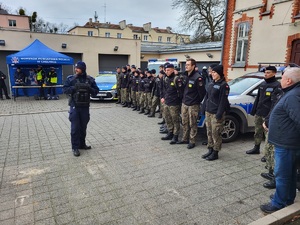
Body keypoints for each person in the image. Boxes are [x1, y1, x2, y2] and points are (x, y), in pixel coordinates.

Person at [260, 67, 300, 214]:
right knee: (289, 174)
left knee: (282, 174)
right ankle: (287, 198)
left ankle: (278, 203)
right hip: (288, 142)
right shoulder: (292, 92)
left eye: (282, 77)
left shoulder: (292, 96)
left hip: (287, 144)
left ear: (288, 80)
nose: (280, 80)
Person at [63, 61, 99, 157]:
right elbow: (65, 89)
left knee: (83, 128)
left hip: (85, 107)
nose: (76, 69)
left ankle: (82, 144)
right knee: (75, 129)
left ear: (83, 68)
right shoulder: (71, 79)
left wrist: (89, 88)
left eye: (78, 68)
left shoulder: (90, 80)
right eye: (75, 68)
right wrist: (74, 88)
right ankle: (75, 147)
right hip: (74, 107)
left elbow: (96, 91)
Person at [246, 66, 280, 155]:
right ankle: (256, 148)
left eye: (268, 72)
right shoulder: (263, 84)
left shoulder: (277, 85)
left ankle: (267, 154)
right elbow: (257, 98)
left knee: (267, 135)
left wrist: (270, 115)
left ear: (274, 73)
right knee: (257, 131)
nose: (266, 74)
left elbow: (275, 102)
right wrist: (254, 110)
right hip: (259, 112)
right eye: (265, 72)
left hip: (268, 114)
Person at [201, 65, 230, 161]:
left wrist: (219, 114)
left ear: (219, 74)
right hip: (208, 112)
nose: (212, 74)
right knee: (209, 132)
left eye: (215, 72)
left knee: (216, 133)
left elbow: (223, 101)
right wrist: (203, 107)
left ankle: (215, 152)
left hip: (216, 113)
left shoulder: (223, 85)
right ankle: (210, 149)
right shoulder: (211, 84)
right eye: (212, 72)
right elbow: (207, 97)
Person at [177, 58, 206, 149]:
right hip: (185, 103)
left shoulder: (198, 78)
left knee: (192, 123)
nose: (186, 66)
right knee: (184, 122)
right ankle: (184, 138)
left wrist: (196, 101)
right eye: (186, 64)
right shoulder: (184, 76)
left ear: (193, 66)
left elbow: (202, 93)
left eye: (188, 64)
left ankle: (192, 141)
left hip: (193, 105)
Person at [161, 64, 184, 144]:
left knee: (175, 120)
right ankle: (170, 132)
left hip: (174, 104)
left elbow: (181, 92)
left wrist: (178, 101)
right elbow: (164, 90)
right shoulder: (166, 78)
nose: (166, 72)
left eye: (168, 70)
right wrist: (163, 97)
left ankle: (175, 136)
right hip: (167, 102)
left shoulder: (177, 79)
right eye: (166, 70)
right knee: (167, 118)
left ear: (172, 70)